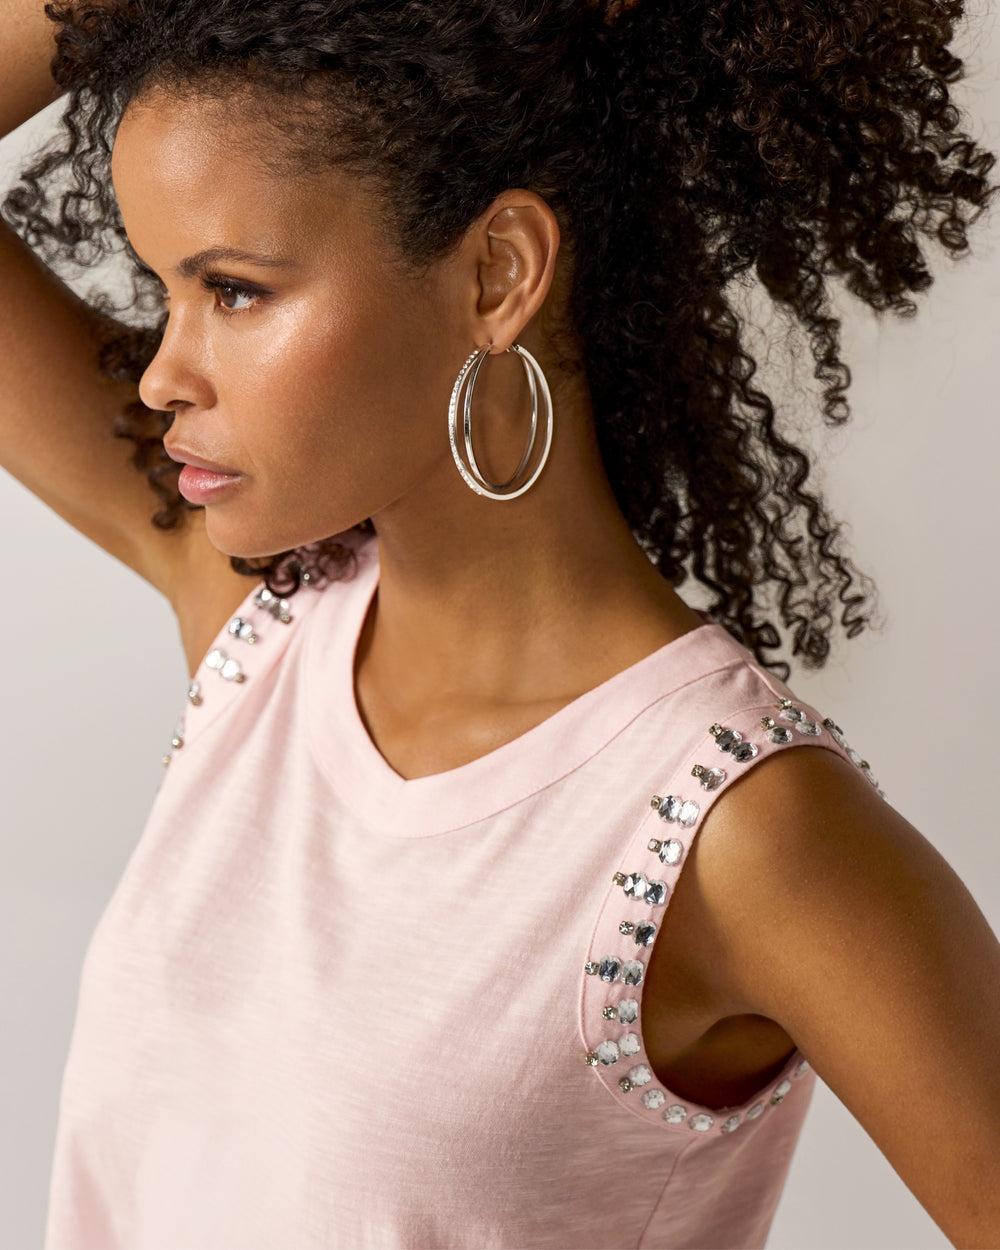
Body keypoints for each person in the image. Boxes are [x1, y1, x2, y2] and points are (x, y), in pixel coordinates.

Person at [1, 0, 999, 1246]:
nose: (163, 371)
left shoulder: (740, 831)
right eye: (166, 291)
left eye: (238, 294)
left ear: (496, 272)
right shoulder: (262, 640)